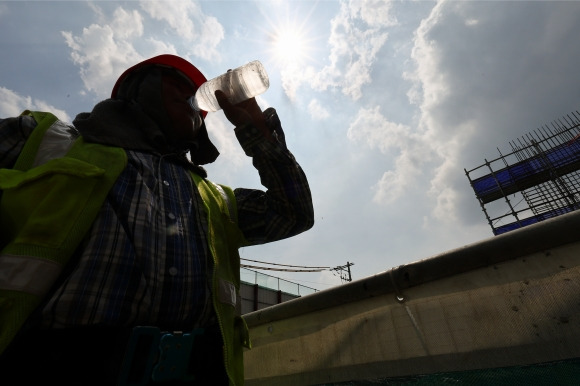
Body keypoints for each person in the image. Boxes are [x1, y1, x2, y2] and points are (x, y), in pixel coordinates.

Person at [0, 54, 314, 385]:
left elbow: (293, 212)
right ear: (141, 89)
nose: (194, 95)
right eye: (180, 83)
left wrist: (259, 133)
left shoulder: (214, 198)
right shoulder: (49, 141)